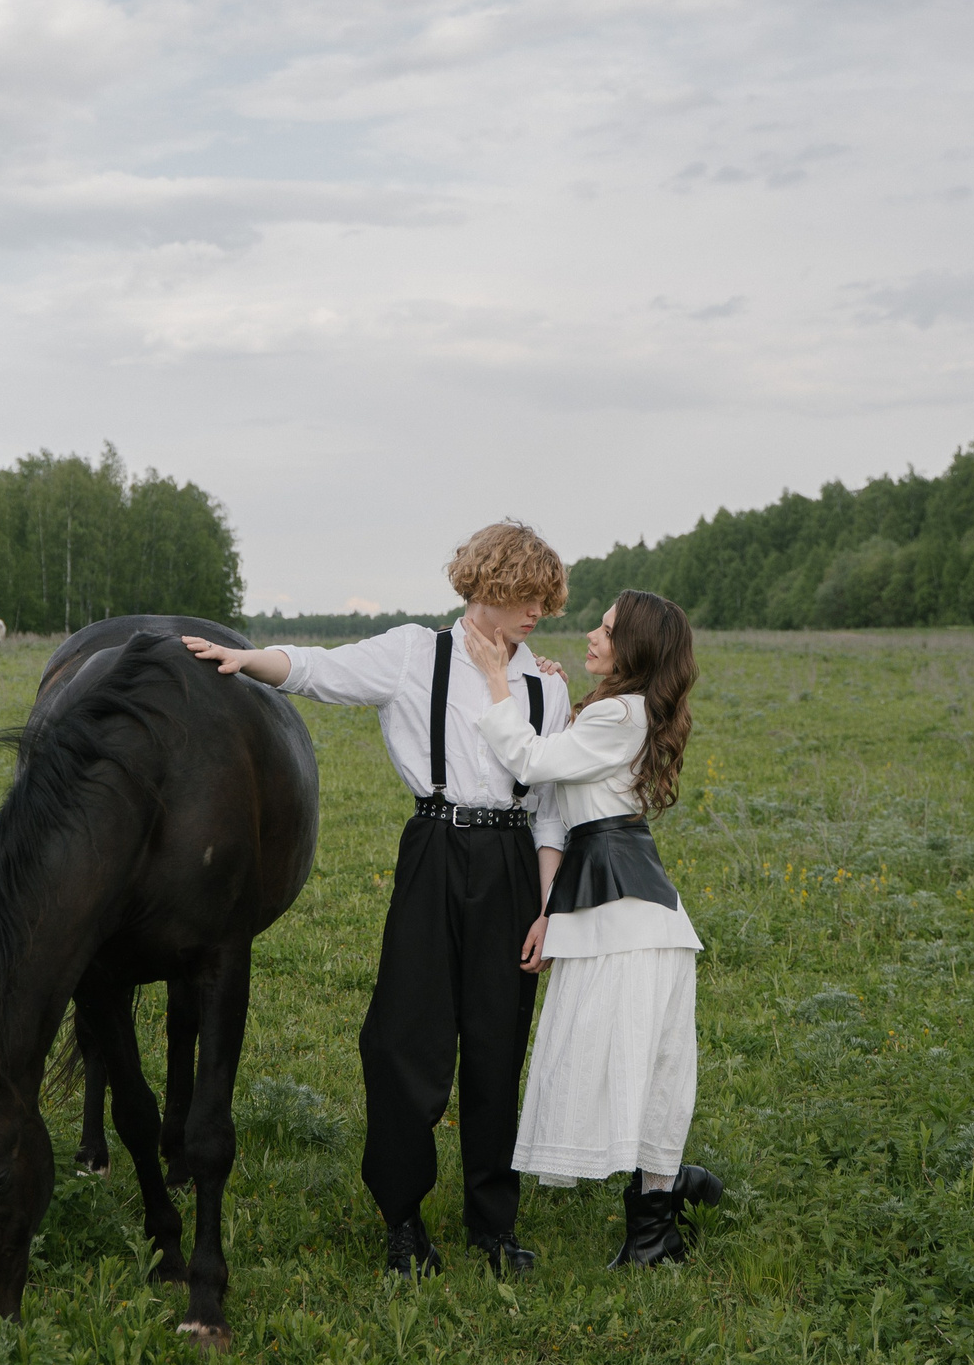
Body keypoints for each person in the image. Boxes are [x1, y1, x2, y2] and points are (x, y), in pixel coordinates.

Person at [184, 522, 571, 1278]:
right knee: (402, 1044)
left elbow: (553, 801)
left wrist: (547, 904)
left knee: (498, 1048)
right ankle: (403, 1221)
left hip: (513, 863)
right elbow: (317, 668)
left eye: (545, 603)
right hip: (433, 850)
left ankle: (494, 1227)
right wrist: (243, 659)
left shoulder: (547, 686)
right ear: (488, 588)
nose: (537, 615)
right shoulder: (411, 654)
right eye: (527, 597)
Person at [466, 588, 723, 1268]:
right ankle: (665, 1207)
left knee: (644, 1066)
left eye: (606, 631)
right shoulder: (613, 712)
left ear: (632, 649)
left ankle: (656, 1230)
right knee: (637, 1063)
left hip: (631, 918)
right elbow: (557, 788)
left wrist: (497, 680)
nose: (590, 635)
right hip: (614, 908)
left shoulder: (622, 713)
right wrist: (549, 911)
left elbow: (532, 763)